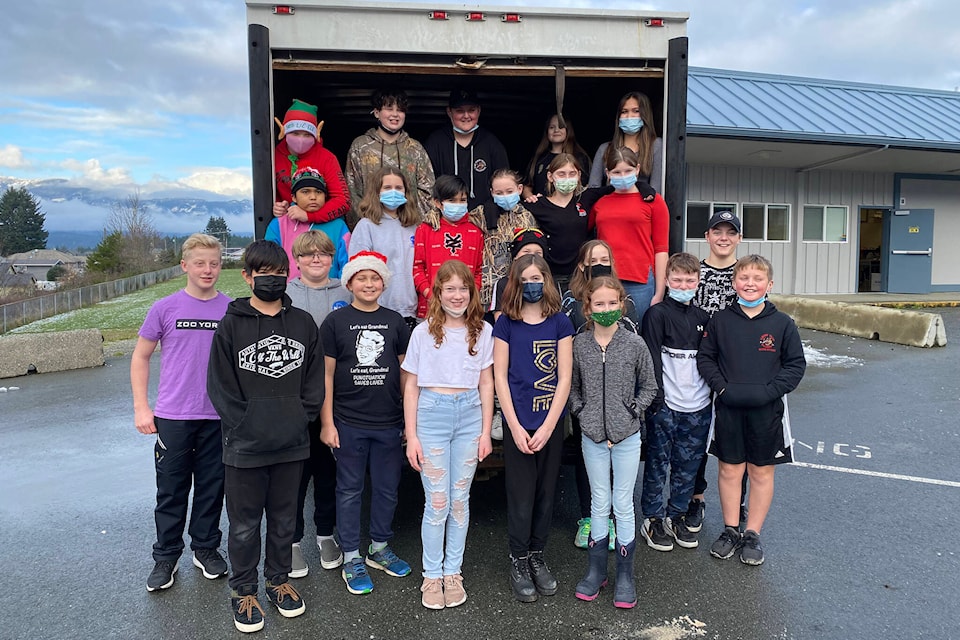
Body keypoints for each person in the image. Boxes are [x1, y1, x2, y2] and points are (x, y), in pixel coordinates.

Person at [207, 240, 325, 633]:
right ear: (247, 277)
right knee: (243, 524)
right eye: (263, 276)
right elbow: (220, 386)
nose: (272, 281)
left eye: (278, 275)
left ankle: (279, 581)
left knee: (284, 519)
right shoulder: (231, 324)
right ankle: (243, 589)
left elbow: (313, 383)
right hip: (244, 446)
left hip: (292, 443)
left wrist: (298, 419)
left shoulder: (304, 323)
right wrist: (246, 424)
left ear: (287, 276)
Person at [132, 233, 231, 593]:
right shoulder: (165, 308)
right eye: (200, 263)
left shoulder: (231, 309)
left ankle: (205, 548)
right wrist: (143, 407)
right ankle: (166, 556)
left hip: (218, 416)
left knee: (211, 487)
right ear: (185, 266)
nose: (208, 270)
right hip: (173, 416)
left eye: (214, 263)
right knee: (172, 489)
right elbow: (140, 356)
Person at [697, 254, 806, 566]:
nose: (750, 284)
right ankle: (731, 529)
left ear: (769, 285)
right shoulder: (720, 321)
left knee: (760, 471)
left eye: (758, 279)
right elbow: (706, 358)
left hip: (767, 412)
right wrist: (722, 388)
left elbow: (795, 365)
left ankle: (752, 533)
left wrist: (768, 393)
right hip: (728, 408)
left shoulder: (782, 324)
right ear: (734, 283)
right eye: (744, 278)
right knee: (729, 469)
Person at [319, 251, 413, 595]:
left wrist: (407, 418)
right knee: (349, 491)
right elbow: (326, 375)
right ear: (349, 283)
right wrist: (327, 422)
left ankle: (379, 548)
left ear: (384, 283)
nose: (369, 284)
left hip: (388, 422)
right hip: (348, 422)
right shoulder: (336, 322)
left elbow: (406, 373)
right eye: (362, 278)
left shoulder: (395, 322)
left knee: (388, 488)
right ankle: (351, 556)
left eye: (375, 278)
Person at [403, 259, 495, 609]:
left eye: (463, 289)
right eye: (449, 289)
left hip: (470, 416)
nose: (456, 296)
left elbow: (486, 383)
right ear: (437, 292)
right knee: (437, 501)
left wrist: (486, 431)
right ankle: (431, 575)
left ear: (472, 293)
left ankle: (452, 571)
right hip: (432, 416)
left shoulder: (483, 331)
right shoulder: (423, 332)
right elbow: (411, 386)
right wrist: (412, 436)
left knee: (459, 501)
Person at [570, 275, 657, 609]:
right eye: (598, 304)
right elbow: (573, 387)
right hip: (592, 436)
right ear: (588, 308)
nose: (606, 309)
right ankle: (596, 571)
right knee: (599, 502)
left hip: (626, 436)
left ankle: (625, 574)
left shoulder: (634, 344)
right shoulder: (579, 344)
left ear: (623, 304)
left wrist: (632, 411)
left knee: (622, 502)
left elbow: (649, 386)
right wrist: (583, 413)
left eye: (612, 303)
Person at [493, 254, 574, 603]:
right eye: (525, 279)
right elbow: (499, 376)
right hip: (518, 423)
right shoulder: (506, 324)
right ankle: (519, 559)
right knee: (521, 497)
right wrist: (515, 426)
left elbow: (565, 377)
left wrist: (549, 425)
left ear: (547, 281)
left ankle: (538, 556)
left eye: (537, 278)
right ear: (515, 283)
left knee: (544, 495)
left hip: (550, 424)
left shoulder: (560, 323)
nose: (532, 285)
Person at [559, 239, 639, 552]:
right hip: (586, 400)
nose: (601, 263)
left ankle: (620, 521)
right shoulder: (570, 302)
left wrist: (632, 406)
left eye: (606, 258)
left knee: (619, 464)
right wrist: (577, 405)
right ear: (581, 265)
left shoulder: (623, 302)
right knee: (586, 459)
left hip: (618, 404)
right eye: (595, 259)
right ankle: (589, 519)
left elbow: (635, 356)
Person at [285, 231, 352, 579]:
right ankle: (292, 541)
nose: (316, 260)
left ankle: (326, 535)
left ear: (332, 258)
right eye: (309, 254)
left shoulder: (346, 291)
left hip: (337, 398)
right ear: (297, 260)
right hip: (296, 398)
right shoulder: (285, 295)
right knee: (294, 475)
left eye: (323, 254)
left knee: (329, 473)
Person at [638, 252, 712, 553]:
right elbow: (652, 359)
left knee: (688, 466)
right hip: (666, 405)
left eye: (690, 280)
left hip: (698, 407)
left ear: (698, 282)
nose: (684, 284)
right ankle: (653, 518)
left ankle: (677, 514)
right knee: (657, 463)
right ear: (666, 280)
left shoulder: (704, 319)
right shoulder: (656, 315)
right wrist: (655, 399)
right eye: (678, 280)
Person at [686, 210, 743, 532]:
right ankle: (696, 497)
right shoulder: (694, 273)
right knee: (696, 437)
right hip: (695, 366)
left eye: (730, 232)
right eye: (717, 231)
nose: (723, 238)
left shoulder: (745, 274)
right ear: (707, 236)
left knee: (734, 437)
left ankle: (738, 503)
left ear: (738, 238)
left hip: (734, 366)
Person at [589, 146, 669, 326]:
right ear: (608, 173)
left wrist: (660, 292)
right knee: (603, 332)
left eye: (628, 170)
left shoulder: (654, 201)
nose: (623, 175)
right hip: (604, 278)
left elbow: (661, 248)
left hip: (640, 281)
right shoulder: (599, 202)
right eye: (617, 172)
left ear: (638, 169)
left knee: (638, 334)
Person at [345, 89, 435, 223]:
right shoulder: (361, 146)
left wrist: (417, 225)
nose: (395, 114)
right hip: (371, 224)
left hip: (408, 226)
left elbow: (427, 190)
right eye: (389, 108)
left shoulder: (415, 148)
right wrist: (364, 224)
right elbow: (351, 190)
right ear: (376, 113)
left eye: (400, 110)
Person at [424, 88, 509, 230]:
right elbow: (427, 185)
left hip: (484, 223)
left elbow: (504, 183)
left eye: (471, 110)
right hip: (445, 221)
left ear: (479, 111)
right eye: (459, 110)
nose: (466, 115)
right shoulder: (435, 142)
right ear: (449, 112)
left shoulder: (492, 143)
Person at [350, 167, 421, 324]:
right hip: (378, 307)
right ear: (377, 192)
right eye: (387, 188)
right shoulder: (366, 226)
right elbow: (358, 270)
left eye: (398, 188)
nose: (393, 192)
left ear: (406, 192)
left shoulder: (413, 227)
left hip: (410, 308)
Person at [412, 175, 485, 319]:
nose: (458, 204)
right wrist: (431, 295)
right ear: (438, 203)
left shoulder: (476, 231)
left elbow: (479, 271)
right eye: (452, 200)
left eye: (462, 200)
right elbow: (417, 268)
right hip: (430, 309)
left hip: (466, 310)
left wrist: (468, 296)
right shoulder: (425, 229)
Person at [273, 99, 350, 224]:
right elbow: (266, 192)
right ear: (284, 132)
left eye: (307, 135)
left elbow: (343, 201)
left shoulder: (327, 158)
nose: (301, 139)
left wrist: (309, 216)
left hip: (323, 227)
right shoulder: (273, 157)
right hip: (288, 226)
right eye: (295, 133)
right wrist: (278, 206)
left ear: (316, 134)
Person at [266, 167, 350, 281]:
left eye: (318, 192)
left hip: (330, 293)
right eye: (305, 192)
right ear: (294, 197)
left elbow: (347, 265)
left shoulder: (338, 226)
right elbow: (269, 262)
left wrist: (340, 292)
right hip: (290, 294)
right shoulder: (279, 224)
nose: (313, 197)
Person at [588, 91, 663, 193]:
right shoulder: (605, 149)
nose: (629, 116)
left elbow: (656, 190)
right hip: (610, 205)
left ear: (645, 114)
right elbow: (593, 187)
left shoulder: (656, 145)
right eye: (624, 112)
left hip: (642, 206)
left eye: (636, 111)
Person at [481, 168, 537, 307]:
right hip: (487, 292)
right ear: (492, 192)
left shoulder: (528, 216)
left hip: (520, 290)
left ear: (519, 189)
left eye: (509, 191)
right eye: (499, 193)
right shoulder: (480, 215)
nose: (504, 196)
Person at [523, 114, 591, 200]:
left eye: (561, 126)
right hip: (541, 208)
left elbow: (586, 187)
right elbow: (527, 185)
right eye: (552, 127)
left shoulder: (579, 157)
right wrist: (531, 198)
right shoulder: (539, 158)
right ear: (547, 131)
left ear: (568, 130)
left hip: (570, 209)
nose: (556, 130)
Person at [488, 228, 549, 323]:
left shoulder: (546, 282)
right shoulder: (503, 284)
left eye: (538, 253)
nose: (531, 256)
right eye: (526, 252)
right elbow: (499, 318)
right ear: (515, 256)